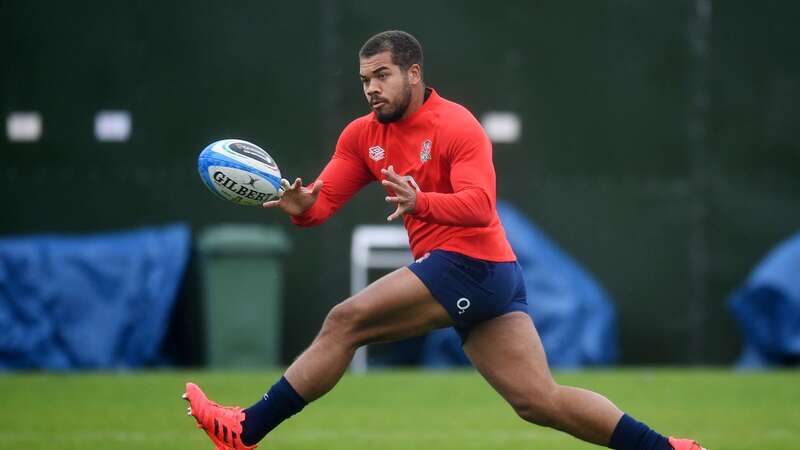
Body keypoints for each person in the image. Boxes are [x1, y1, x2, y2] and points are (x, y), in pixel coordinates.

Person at [183, 30, 706, 450]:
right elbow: (321, 204)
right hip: (479, 278)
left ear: (414, 73)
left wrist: (422, 202)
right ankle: (668, 449)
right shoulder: (361, 135)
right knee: (539, 401)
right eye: (365, 78)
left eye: (382, 75)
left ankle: (246, 429)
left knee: (345, 322)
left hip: (474, 264)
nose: (371, 88)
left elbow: (480, 206)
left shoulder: (458, 126)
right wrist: (301, 207)